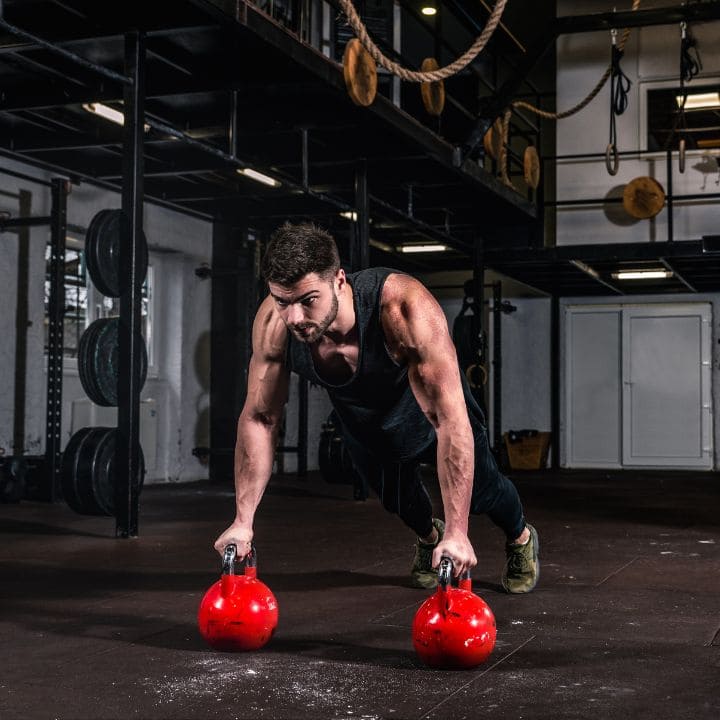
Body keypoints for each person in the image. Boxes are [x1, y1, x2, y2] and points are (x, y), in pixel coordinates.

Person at [214, 222, 539, 592]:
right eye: (282, 301)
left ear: (339, 280)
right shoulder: (275, 324)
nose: (294, 319)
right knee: (401, 503)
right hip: (367, 427)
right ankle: (429, 538)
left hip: (430, 414)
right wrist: (243, 521)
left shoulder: (403, 308)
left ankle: (520, 538)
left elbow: (449, 419)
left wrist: (459, 532)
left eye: (308, 300)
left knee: (484, 491)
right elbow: (260, 418)